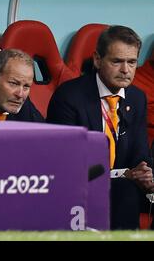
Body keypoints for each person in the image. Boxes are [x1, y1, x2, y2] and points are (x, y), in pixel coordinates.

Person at [47, 25, 154, 229]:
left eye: (131, 62)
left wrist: (145, 172)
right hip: (83, 184)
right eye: (117, 61)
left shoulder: (136, 97)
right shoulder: (69, 97)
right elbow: (67, 164)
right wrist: (124, 175)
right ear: (97, 60)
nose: (125, 70)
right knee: (125, 191)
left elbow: (140, 153)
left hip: (126, 182)